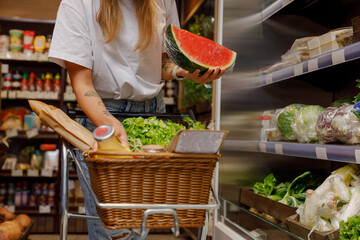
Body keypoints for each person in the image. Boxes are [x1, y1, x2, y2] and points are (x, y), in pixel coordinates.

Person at [49, 0, 225, 239]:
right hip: (103, 115)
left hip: (154, 114)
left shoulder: (163, 1)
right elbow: (82, 83)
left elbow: (162, 63)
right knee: (113, 230)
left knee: (141, 224)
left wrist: (182, 71)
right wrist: (109, 123)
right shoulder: (77, 4)